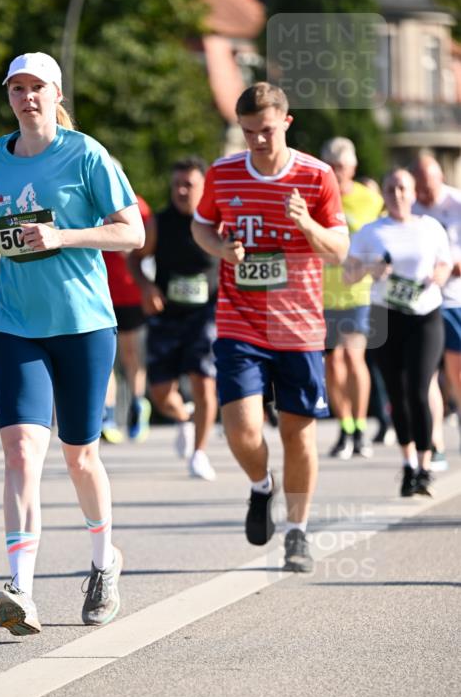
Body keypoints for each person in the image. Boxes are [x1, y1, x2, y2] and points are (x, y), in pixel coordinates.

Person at [0, 52, 144, 636]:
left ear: (56, 94)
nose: (27, 97)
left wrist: (64, 235)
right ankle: (21, 589)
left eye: (38, 88)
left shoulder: (85, 154)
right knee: (21, 452)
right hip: (14, 324)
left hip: (83, 323)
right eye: (17, 88)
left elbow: (130, 231)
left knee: (80, 456)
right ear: (8, 95)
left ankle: (104, 562)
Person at [191, 82, 349, 572]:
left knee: (298, 435)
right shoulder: (222, 174)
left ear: (286, 122)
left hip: (299, 327)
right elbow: (200, 226)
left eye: (265, 130)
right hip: (240, 322)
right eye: (248, 132)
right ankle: (262, 486)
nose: (258, 140)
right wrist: (220, 249)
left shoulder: (317, 176)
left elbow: (339, 250)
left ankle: (298, 532)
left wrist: (307, 225)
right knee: (240, 429)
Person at [344, 169, 451, 496]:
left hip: (424, 317)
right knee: (396, 393)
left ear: (413, 192)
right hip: (385, 317)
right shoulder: (370, 232)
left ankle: (425, 465)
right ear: (384, 195)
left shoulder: (430, 227)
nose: (397, 194)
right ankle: (407, 465)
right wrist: (368, 269)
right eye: (390, 189)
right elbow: (349, 275)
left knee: (419, 389)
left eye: (402, 188)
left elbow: (445, 262)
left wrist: (438, 276)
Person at [129, 157, 219, 481]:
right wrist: (146, 285)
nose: (181, 191)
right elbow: (135, 260)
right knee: (161, 393)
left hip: (206, 313)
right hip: (166, 315)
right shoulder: (159, 223)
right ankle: (184, 418)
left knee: (203, 379)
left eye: (189, 185)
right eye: (176, 185)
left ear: (204, 187)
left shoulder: (216, 222)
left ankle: (199, 453)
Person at [320, 137, 384, 460]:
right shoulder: (317, 196)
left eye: (342, 167)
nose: (337, 172)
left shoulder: (369, 199)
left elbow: (385, 235)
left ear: (353, 167)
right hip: (324, 293)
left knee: (353, 358)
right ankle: (345, 427)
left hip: (358, 292)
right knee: (333, 363)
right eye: (331, 166)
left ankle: (360, 426)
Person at [412, 153, 461, 456]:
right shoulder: (410, 206)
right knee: (426, 372)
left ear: (440, 178)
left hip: (455, 299)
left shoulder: (457, 204)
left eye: (429, 187)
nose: (425, 194)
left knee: (456, 372)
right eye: (420, 188)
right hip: (421, 302)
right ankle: (435, 441)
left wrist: (451, 265)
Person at [102, 189, 152, 442]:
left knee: (132, 355)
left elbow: (148, 244)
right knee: (106, 358)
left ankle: (137, 405)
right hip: (101, 293)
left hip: (131, 292)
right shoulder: (91, 203)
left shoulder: (138, 206)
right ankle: (107, 414)